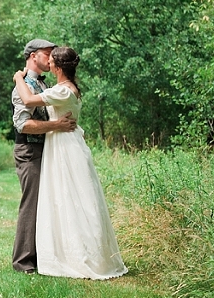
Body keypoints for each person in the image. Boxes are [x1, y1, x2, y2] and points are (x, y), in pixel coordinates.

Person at [13, 46, 127, 280]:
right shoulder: (63, 88)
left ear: (57, 67)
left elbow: (28, 99)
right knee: (65, 199)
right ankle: (62, 252)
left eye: (51, 60)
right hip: (61, 144)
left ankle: (79, 255)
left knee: (72, 198)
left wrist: (17, 78)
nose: (48, 62)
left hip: (64, 146)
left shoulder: (63, 90)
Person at [11, 38, 77, 274]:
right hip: (30, 150)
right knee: (32, 204)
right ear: (33, 56)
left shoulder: (44, 84)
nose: (51, 58)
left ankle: (44, 256)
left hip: (46, 150)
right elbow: (23, 124)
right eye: (47, 53)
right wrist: (56, 126)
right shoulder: (23, 85)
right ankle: (23, 262)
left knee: (46, 204)